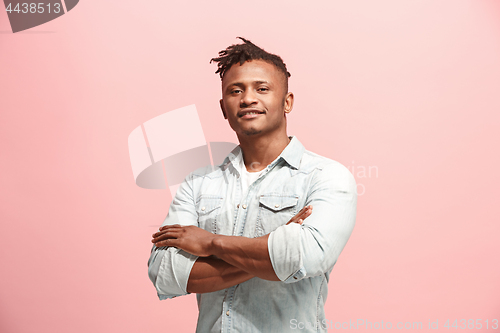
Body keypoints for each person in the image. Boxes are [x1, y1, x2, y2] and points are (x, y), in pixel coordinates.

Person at [148, 37, 357, 333]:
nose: (247, 99)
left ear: (287, 102)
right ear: (223, 107)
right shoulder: (198, 184)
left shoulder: (326, 176)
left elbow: (305, 257)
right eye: (236, 91)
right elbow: (167, 273)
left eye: (261, 88)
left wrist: (210, 243)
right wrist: (274, 246)